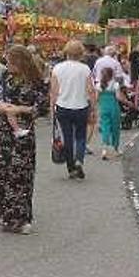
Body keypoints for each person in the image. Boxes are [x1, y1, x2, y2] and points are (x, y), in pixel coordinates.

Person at [0, 45, 47, 235]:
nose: (7, 65)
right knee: (1, 173)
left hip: (23, 133)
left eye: (11, 61)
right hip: (3, 131)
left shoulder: (36, 81)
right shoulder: (6, 78)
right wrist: (0, 107)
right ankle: (4, 214)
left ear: (21, 61)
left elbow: (41, 108)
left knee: (20, 175)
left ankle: (20, 218)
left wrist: (19, 109)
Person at [49, 40, 96, 179]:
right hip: (81, 106)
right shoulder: (85, 69)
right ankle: (79, 161)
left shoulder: (57, 68)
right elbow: (90, 90)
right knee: (81, 136)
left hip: (63, 106)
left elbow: (54, 91)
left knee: (67, 137)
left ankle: (71, 168)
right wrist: (93, 107)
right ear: (81, 53)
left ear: (66, 52)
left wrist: (52, 108)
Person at [96, 67, 128, 159]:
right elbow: (118, 97)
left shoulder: (99, 85)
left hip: (103, 108)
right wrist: (126, 101)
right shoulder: (115, 85)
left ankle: (104, 149)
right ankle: (115, 148)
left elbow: (97, 98)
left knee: (105, 127)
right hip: (114, 108)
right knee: (115, 129)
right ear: (111, 75)